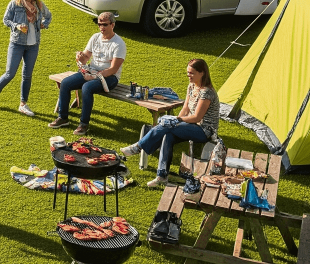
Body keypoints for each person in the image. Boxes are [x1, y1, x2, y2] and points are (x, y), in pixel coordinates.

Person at [121, 58, 221, 188]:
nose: (188, 75)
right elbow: (185, 109)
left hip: (204, 130)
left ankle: (138, 147)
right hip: (191, 125)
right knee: (168, 134)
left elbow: (197, 117)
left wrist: (176, 120)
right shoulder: (191, 86)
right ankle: (161, 176)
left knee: (167, 126)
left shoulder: (207, 92)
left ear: (202, 73)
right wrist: (175, 121)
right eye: (187, 72)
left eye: (192, 73)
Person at [48, 11, 126, 134]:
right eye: (99, 24)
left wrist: (94, 76)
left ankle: (83, 124)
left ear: (112, 25)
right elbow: (85, 58)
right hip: (91, 71)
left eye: (105, 25)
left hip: (110, 77)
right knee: (65, 83)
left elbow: (113, 69)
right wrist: (80, 57)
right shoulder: (95, 37)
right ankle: (62, 118)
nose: (102, 28)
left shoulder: (119, 44)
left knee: (87, 87)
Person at [0, 0, 52, 117]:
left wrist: (44, 24)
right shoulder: (15, 3)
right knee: (10, 73)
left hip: (33, 45)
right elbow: (6, 20)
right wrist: (16, 26)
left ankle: (23, 104)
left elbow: (48, 16)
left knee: (27, 76)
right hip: (17, 43)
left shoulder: (39, 5)